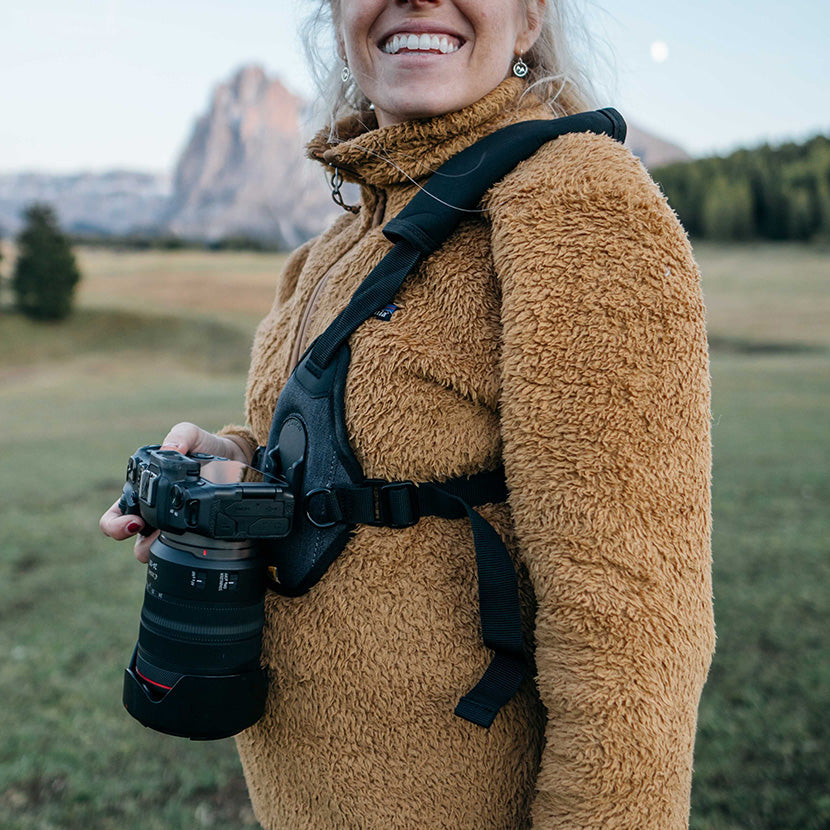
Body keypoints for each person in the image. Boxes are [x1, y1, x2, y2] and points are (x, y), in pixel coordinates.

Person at [100, 1, 715, 827]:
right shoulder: (335, 242)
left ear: (528, 19)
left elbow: (633, 621)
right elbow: (364, 446)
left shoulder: (576, 203)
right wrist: (233, 462)